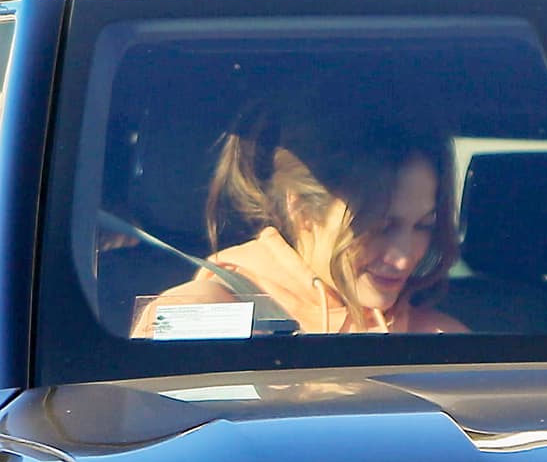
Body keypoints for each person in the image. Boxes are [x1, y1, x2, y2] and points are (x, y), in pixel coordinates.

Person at [132, 99, 466, 337]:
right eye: (379, 227)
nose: (405, 255)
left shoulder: (441, 340)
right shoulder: (199, 316)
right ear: (301, 210)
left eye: (424, 226)